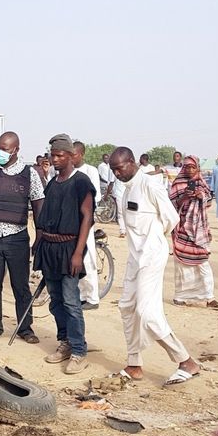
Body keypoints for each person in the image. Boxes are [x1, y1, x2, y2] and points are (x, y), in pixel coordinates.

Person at [108, 147, 200, 385]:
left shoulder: (150, 185)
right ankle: (134, 364)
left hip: (151, 255)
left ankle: (186, 361)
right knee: (127, 307)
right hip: (134, 256)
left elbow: (172, 217)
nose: (117, 174)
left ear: (132, 162)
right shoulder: (125, 190)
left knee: (147, 314)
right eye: (113, 170)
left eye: (120, 168)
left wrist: (155, 238)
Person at [0, 131, 44, 344]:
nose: (0, 152)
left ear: (16, 150)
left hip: (17, 238)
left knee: (20, 285)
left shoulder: (30, 175)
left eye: (5, 149)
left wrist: (39, 237)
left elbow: (39, 206)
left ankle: (25, 328)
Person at [34, 134, 95, 375]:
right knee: (56, 300)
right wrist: (39, 242)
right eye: (53, 155)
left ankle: (79, 351)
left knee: (71, 302)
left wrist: (78, 253)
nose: (55, 159)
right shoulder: (52, 182)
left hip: (70, 249)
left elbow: (87, 218)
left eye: (60, 155)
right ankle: (66, 342)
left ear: (71, 156)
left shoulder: (81, 182)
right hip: (50, 249)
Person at [169, 156, 218, 309]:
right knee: (181, 263)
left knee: (203, 261)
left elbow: (208, 203)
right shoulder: (178, 184)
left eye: (193, 167)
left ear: (197, 168)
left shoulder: (202, 182)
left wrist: (202, 197)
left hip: (199, 229)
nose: (190, 170)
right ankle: (180, 296)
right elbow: (172, 205)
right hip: (182, 228)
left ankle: (209, 297)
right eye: (187, 167)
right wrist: (185, 196)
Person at [71, 141, 104, 310]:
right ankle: (80, 295)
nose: (71, 157)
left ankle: (92, 297)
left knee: (87, 257)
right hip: (70, 222)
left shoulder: (91, 171)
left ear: (81, 154)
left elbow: (95, 196)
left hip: (84, 221)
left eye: (74, 154)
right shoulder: (67, 171)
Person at [98, 152, 126, 237]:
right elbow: (110, 183)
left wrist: (106, 195)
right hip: (119, 193)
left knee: (121, 213)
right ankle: (123, 231)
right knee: (123, 213)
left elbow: (111, 183)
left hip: (121, 193)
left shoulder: (114, 169)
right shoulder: (115, 169)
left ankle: (123, 230)